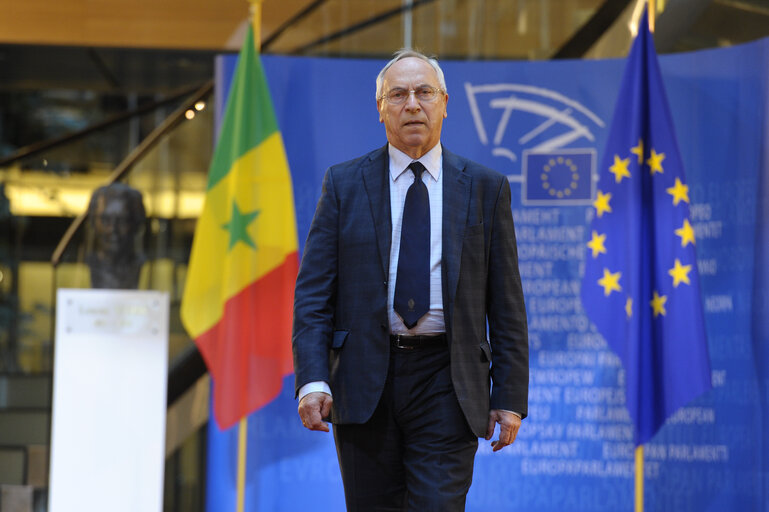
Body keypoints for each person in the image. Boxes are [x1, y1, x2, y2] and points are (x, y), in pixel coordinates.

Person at [292, 49, 529, 511]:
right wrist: (313, 379)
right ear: (380, 108)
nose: (412, 104)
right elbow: (313, 295)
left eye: (424, 92)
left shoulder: (485, 187)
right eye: (398, 94)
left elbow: (506, 302)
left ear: (445, 103)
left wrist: (510, 395)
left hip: (448, 379)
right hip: (363, 382)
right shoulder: (343, 185)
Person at [86, 182, 146, 289]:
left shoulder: (149, 271)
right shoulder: (81, 269)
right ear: (93, 222)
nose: (113, 229)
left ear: (136, 225)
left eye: (122, 221)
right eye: (105, 220)